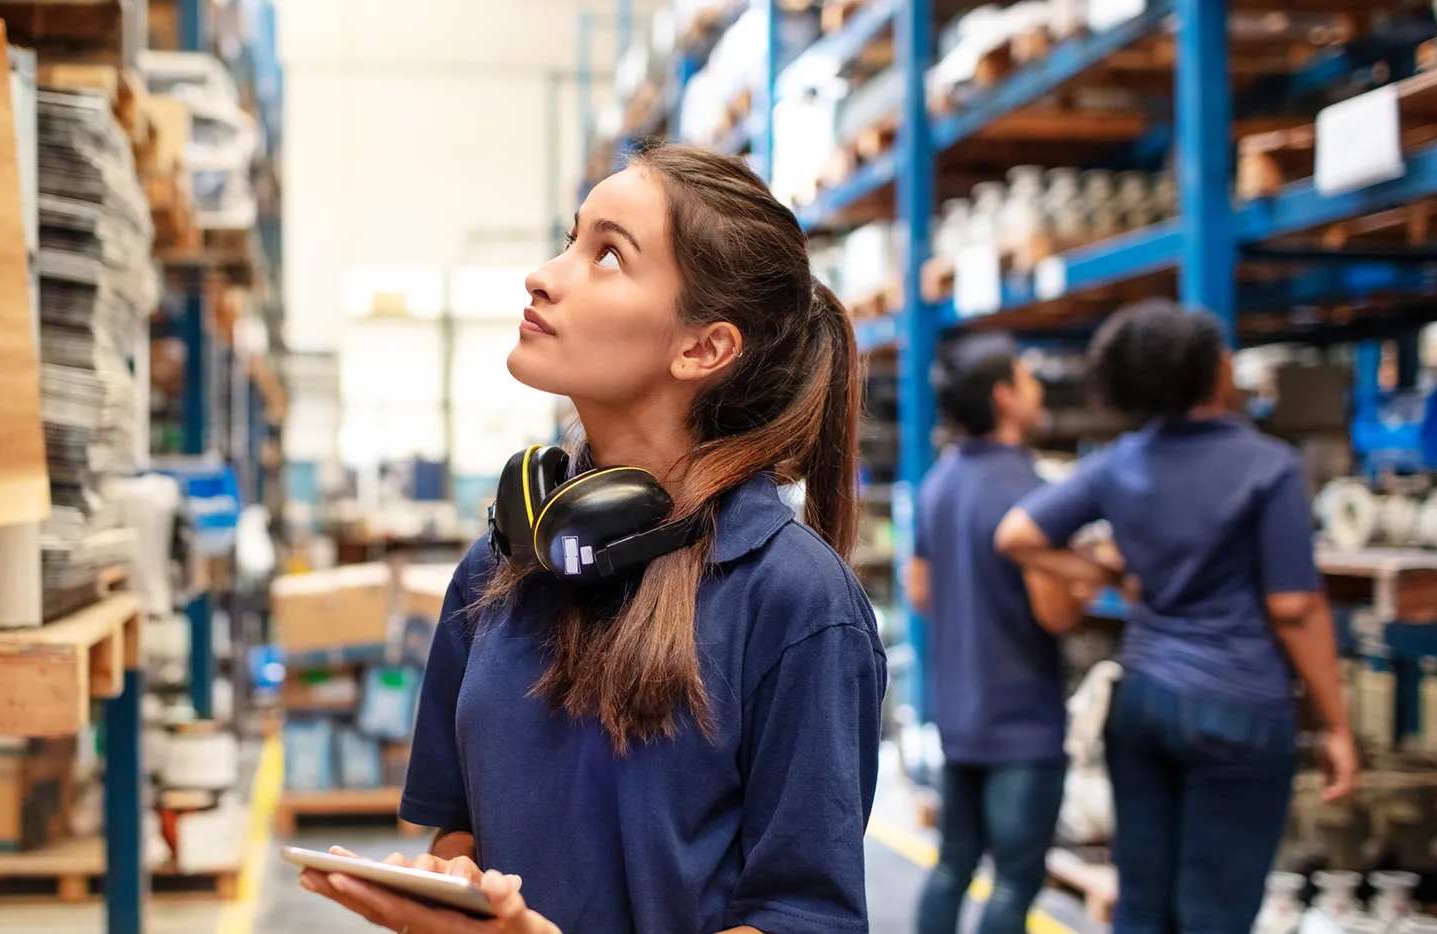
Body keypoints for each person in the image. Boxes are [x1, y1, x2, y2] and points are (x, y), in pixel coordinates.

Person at [300, 143, 887, 933]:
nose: (544, 274)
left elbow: (802, 916)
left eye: (608, 255)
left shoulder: (794, 601)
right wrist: (457, 887)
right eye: (571, 238)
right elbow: (463, 829)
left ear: (702, 347)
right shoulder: (499, 568)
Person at [993, 299, 1358, 933]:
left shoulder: (1121, 462)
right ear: (1211, 370)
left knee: (1141, 904)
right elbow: (1294, 606)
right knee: (1213, 914)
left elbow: (1018, 535)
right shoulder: (1268, 466)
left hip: (1143, 700)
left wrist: (1106, 573)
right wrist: (1336, 725)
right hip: (1238, 706)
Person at [907, 336, 1088, 934]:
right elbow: (1056, 614)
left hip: (960, 715)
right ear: (1005, 398)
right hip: (1022, 723)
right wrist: (1089, 579)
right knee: (1014, 880)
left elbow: (920, 593)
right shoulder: (1036, 493)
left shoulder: (938, 484)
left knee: (953, 864)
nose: (1041, 394)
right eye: (1030, 382)